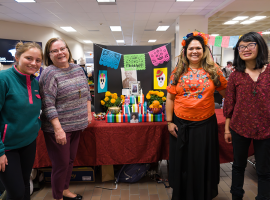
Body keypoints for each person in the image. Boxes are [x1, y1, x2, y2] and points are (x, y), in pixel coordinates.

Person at [166, 32, 227, 200]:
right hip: (180, 125)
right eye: (190, 48)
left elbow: (226, 94)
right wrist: (169, 122)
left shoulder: (214, 71)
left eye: (198, 48)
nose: (194, 51)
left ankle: (202, 195)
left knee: (201, 162)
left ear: (204, 50)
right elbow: (170, 98)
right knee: (182, 163)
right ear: (185, 51)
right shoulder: (177, 72)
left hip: (205, 125)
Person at [39, 38, 92, 200]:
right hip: (59, 128)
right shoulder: (49, 73)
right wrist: (58, 129)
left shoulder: (77, 68)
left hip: (77, 125)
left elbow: (87, 92)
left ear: (68, 50)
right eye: (55, 51)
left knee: (69, 161)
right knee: (61, 164)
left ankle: (65, 189)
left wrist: (88, 113)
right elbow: (48, 104)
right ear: (49, 55)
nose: (60, 53)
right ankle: (58, 197)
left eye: (63, 48)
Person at [223, 32, 270, 200]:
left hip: (266, 129)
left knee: (264, 170)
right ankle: (237, 196)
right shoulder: (235, 75)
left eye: (251, 45)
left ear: (260, 46)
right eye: (241, 47)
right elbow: (229, 103)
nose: (245, 49)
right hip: (239, 127)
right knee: (238, 166)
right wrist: (227, 129)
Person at [0, 41, 43, 200]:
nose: (34, 63)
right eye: (29, 58)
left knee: (25, 186)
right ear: (17, 57)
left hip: (28, 143)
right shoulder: (3, 79)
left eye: (38, 60)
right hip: (7, 147)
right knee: (16, 192)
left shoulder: (35, 82)